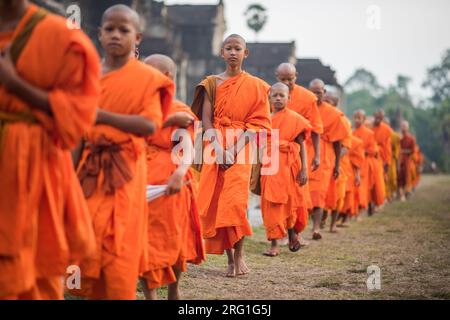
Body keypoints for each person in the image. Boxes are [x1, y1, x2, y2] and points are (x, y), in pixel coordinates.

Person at [70, 4, 174, 299]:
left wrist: (102, 117)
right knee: (88, 239)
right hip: (89, 169)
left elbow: (149, 124)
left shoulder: (147, 79)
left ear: (137, 38)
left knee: (121, 244)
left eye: (124, 30)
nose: (116, 35)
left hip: (126, 170)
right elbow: (78, 132)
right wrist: (70, 176)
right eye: (110, 29)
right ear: (99, 34)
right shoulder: (85, 76)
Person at [0, 0, 100, 300]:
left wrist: (14, 84)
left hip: (31, 166)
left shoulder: (61, 37)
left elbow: (78, 115)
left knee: (29, 271)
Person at [191, 34, 271, 277]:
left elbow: (257, 123)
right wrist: (219, 149)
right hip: (215, 144)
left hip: (241, 146)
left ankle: (239, 254)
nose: (233, 52)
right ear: (222, 53)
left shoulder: (256, 86)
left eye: (238, 48)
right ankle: (228, 258)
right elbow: (206, 120)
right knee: (218, 202)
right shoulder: (211, 83)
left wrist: (233, 151)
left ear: (245, 53)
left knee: (236, 202)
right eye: (229, 48)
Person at [140, 54, 204, 300]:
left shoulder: (180, 110)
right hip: (141, 178)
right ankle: (150, 296)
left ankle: (174, 291)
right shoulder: (139, 107)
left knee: (173, 238)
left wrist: (180, 171)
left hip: (170, 180)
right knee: (145, 240)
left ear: (166, 77)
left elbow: (186, 146)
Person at [260, 82, 310, 257]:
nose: (279, 98)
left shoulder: (295, 119)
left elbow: (302, 145)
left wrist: (304, 169)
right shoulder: (264, 118)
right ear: (269, 98)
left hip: (289, 166)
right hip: (269, 165)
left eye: (282, 95)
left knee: (289, 202)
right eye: (275, 95)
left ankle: (291, 235)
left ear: (289, 98)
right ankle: (274, 244)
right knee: (271, 203)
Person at [275, 62, 323, 246]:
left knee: (297, 195)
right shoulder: (271, 94)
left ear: (297, 76)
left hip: (300, 150)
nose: (287, 83)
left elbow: (316, 129)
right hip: (277, 153)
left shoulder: (308, 98)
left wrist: (317, 155)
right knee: (279, 194)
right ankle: (281, 233)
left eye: (291, 79)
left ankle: (295, 232)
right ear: (276, 77)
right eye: (283, 79)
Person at [308, 79, 351, 240]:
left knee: (319, 193)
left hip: (325, 156)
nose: (315, 95)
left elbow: (338, 142)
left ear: (324, 93)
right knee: (305, 193)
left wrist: (337, 165)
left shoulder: (333, 114)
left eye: (319, 92)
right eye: (312, 91)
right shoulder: (304, 109)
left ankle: (315, 228)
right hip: (305, 152)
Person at [352, 109, 384, 216]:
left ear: (364, 119)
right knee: (355, 187)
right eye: (356, 118)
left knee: (364, 188)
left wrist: (360, 151)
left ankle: (364, 208)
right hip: (353, 163)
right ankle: (354, 210)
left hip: (365, 163)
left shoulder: (369, 133)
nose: (357, 120)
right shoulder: (351, 132)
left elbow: (373, 150)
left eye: (359, 118)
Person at [398, 120, 416, 200]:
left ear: (408, 127)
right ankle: (401, 193)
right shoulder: (399, 139)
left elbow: (413, 151)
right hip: (399, 160)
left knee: (407, 176)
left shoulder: (411, 138)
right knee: (399, 177)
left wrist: (403, 151)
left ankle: (406, 192)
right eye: (402, 126)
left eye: (405, 126)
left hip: (407, 160)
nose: (403, 128)